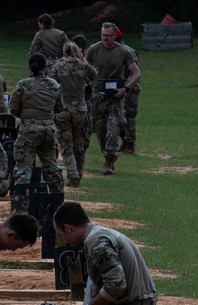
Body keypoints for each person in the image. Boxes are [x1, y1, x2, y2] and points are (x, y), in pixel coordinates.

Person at [32, 201, 156, 305]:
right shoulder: (99, 234)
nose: (65, 242)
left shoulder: (96, 243)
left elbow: (116, 284)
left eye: (61, 235)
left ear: (68, 228)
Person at [84, 22, 141, 175]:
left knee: (113, 130)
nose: (105, 38)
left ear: (115, 35)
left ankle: (109, 162)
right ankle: (106, 152)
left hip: (116, 97)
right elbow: (83, 67)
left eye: (109, 36)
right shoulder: (94, 49)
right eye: (103, 35)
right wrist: (87, 84)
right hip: (98, 98)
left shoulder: (124, 52)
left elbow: (136, 73)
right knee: (100, 130)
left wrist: (126, 89)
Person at [8, 52, 64, 192]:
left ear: (30, 68)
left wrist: (27, 115)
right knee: (51, 166)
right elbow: (59, 108)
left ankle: (22, 202)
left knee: (23, 167)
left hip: (28, 129)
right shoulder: (55, 85)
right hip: (49, 130)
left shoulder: (23, 84)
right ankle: (57, 198)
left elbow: (13, 109)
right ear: (45, 67)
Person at [48, 41, 97, 188]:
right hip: (80, 110)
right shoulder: (84, 66)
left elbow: (51, 85)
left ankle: (72, 174)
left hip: (62, 109)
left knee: (66, 144)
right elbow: (94, 77)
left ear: (64, 52)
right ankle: (79, 172)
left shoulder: (57, 67)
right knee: (79, 143)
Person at [115, 28, 141, 155]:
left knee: (129, 117)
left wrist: (126, 88)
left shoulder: (128, 52)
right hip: (119, 88)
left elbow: (134, 73)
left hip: (131, 89)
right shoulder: (113, 51)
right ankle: (125, 141)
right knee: (118, 117)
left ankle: (130, 145)